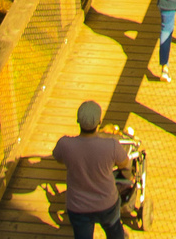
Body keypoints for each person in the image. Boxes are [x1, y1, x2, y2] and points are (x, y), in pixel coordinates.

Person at [53, 100, 129, 239]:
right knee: (115, 232)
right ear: (99, 122)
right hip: (107, 203)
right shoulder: (111, 145)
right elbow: (124, 163)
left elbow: (58, 158)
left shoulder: (65, 144)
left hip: (78, 206)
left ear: (78, 121)